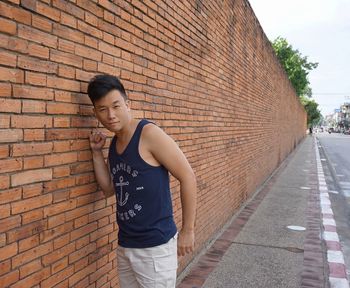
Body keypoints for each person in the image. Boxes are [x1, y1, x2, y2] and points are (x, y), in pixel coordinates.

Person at [87, 74, 197, 288]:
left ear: (128, 104)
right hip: (126, 246)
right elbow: (109, 189)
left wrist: (188, 230)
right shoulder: (114, 143)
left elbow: (188, 177)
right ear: (95, 113)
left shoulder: (149, 134)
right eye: (102, 109)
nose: (111, 115)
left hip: (155, 249)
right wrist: (96, 153)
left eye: (116, 106)